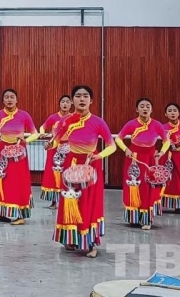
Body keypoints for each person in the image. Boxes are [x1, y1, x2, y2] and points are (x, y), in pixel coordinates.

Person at [52, 85, 116, 258]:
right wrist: (50, 143)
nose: (82, 99)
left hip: (91, 166)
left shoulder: (98, 122)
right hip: (71, 165)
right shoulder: (66, 121)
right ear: (72, 100)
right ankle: (71, 238)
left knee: (90, 203)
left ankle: (91, 242)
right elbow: (56, 141)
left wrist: (99, 156)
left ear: (91, 100)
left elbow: (112, 146)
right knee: (70, 202)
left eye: (85, 96)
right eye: (78, 96)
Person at [0, 89, 39, 225]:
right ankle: (1, 213)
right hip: (3, 152)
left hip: (19, 152)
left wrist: (26, 139)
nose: (9, 99)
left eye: (12, 97)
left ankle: (20, 214)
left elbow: (35, 134)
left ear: (17, 100)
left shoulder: (24, 115)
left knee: (18, 181)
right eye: (7, 97)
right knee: (0, 180)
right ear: (3, 100)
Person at [115, 98, 171, 230]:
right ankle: (133, 218)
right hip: (134, 159)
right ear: (137, 109)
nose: (145, 109)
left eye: (147, 106)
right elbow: (118, 138)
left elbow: (166, 140)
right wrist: (126, 149)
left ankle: (147, 219)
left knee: (148, 188)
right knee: (133, 187)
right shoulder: (131, 124)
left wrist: (161, 152)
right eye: (142, 106)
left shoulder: (157, 124)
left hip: (150, 159)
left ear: (151, 109)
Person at [38, 95, 73, 209]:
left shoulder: (74, 118)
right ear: (59, 104)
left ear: (71, 104)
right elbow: (42, 127)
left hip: (69, 148)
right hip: (54, 148)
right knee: (53, 174)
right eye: (63, 102)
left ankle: (68, 201)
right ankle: (54, 202)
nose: (65, 104)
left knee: (68, 173)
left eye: (67, 102)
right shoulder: (53, 117)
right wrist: (42, 133)